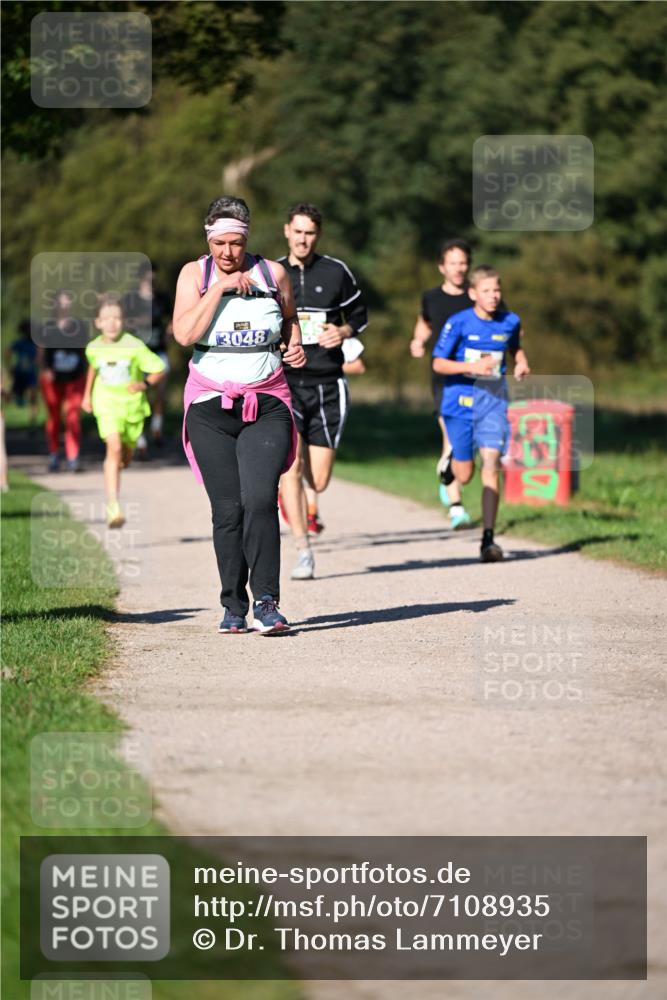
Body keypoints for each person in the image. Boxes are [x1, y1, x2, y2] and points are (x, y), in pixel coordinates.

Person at [173, 195, 305, 635]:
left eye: (235, 243)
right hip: (211, 407)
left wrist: (295, 342)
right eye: (220, 244)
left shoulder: (273, 273)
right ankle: (234, 606)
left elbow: (289, 317)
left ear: (247, 238)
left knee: (261, 499)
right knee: (227, 510)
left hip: (267, 402)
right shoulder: (196, 275)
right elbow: (184, 333)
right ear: (208, 239)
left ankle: (267, 602)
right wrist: (218, 290)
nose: (228, 253)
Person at [278, 202, 368, 579]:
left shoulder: (336, 272)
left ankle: (302, 500)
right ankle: (303, 549)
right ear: (287, 231)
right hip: (285, 383)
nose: (303, 239)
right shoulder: (272, 272)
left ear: (318, 235)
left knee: (319, 478)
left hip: (328, 384)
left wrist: (342, 331)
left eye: (310, 233)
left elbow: (360, 315)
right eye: (297, 231)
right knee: (291, 466)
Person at [432, 265, 530, 562]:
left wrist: (522, 362)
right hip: (459, 404)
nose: (493, 296)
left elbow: (516, 348)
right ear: (473, 293)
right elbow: (438, 363)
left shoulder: (510, 321)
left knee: (491, 463)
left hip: (494, 404)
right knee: (466, 473)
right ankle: (451, 462)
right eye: (487, 291)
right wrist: (471, 367)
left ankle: (488, 539)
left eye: (497, 290)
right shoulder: (459, 323)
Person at [82, 295, 166, 528]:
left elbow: (159, 369)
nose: (111, 323)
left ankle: (117, 465)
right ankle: (113, 507)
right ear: (97, 322)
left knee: (124, 459)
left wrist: (145, 384)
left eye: (117, 318)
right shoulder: (93, 348)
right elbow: (93, 368)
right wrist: (86, 395)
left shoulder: (134, 346)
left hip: (132, 408)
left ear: (124, 321)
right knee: (114, 448)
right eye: (106, 319)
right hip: (106, 405)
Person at [410, 239, 473, 529]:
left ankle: (449, 473)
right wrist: (419, 340)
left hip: (477, 379)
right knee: (451, 438)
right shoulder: (431, 297)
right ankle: (457, 507)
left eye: (463, 262)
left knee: (467, 443)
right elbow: (424, 322)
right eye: (453, 263)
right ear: (442, 267)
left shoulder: (478, 295)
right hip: (444, 377)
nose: (459, 268)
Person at [302, 335, 366, 535]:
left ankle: (309, 509)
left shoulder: (332, 328)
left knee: (314, 468)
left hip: (326, 395)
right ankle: (305, 509)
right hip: (292, 391)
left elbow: (358, 366)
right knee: (295, 458)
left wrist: (320, 364)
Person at [121, 262, 173, 456]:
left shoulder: (161, 298)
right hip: (138, 353)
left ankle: (157, 428)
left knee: (160, 393)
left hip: (158, 350)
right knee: (138, 395)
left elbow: (174, 318)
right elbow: (121, 321)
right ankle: (140, 439)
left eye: (153, 272)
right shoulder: (131, 299)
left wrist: (169, 334)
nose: (151, 276)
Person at [37, 290, 88, 472]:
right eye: (62, 302)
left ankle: (73, 456)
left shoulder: (79, 326)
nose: (65, 305)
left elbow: (85, 352)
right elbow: (41, 353)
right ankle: (53, 455)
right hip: (53, 379)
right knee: (54, 417)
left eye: (68, 302)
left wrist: (86, 373)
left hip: (75, 378)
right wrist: (45, 370)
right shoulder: (47, 327)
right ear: (56, 305)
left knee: (73, 416)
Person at [8, 320, 39, 424]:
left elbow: (41, 357)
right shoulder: (20, 342)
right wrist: (10, 367)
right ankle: (18, 402)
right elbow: (7, 352)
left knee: (33, 397)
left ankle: (32, 421)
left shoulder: (37, 343)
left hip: (32, 374)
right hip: (20, 373)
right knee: (15, 396)